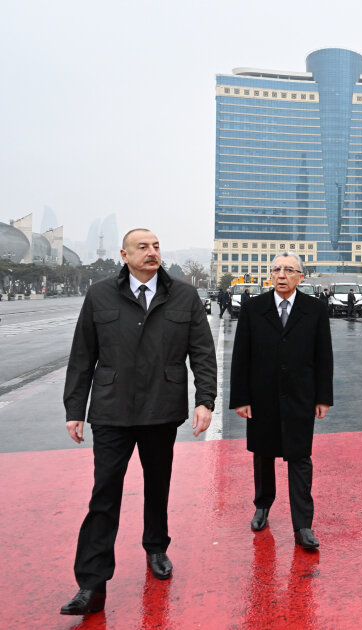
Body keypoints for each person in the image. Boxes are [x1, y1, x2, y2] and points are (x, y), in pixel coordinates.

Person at [60, 229, 216, 616]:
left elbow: (202, 352)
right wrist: (74, 409)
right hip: (111, 411)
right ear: (124, 255)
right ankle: (91, 584)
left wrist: (205, 401)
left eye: (156, 246)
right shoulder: (99, 295)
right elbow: (83, 355)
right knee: (104, 493)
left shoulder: (184, 295)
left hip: (162, 408)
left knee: (157, 484)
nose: (152, 252)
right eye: (143, 247)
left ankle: (156, 547)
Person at [230, 252, 333, 551]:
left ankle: (303, 526)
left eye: (289, 270)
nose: (282, 275)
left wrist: (323, 397)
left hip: (301, 396)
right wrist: (241, 398)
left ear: (301, 276)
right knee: (263, 454)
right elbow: (241, 357)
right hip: (261, 396)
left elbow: (323, 356)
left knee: (300, 458)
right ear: (270, 275)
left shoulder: (314, 309)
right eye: (276, 269)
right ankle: (262, 505)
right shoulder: (253, 309)